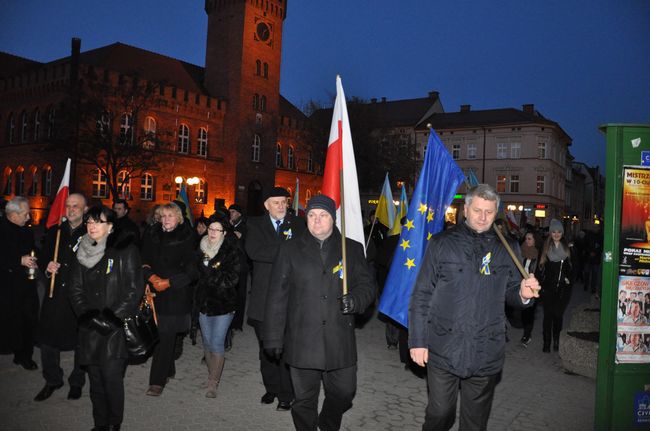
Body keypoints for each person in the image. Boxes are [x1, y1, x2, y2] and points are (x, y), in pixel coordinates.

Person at [409, 184, 540, 431]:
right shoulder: (441, 243)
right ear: (466, 209)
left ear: (496, 212)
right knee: (440, 413)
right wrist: (417, 340)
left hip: (485, 348)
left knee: (475, 422)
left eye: (489, 212)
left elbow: (513, 291)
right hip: (443, 344)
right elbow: (422, 293)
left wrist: (523, 293)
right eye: (477, 210)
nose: (482, 217)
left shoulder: (507, 248)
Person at [263, 195, 375, 431]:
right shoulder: (290, 249)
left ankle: (327, 423)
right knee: (304, 399)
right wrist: (273, 337)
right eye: (312, 215)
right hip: (303, 339)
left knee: (345, 392)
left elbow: (367, 287)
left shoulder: (351, 248)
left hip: (339, 339)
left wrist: (355, 300)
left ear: (333, 219)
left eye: (323, 215)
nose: (317, 221)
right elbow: (277, 297)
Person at [69, 206, 143, 431]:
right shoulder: (81, 251)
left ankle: (114, 422)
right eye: (89, 222)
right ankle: (99, 423)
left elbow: (133, 290)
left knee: (111, 381)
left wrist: (111, 319)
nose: (92, 226)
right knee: (95, 382)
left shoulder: (125, 251)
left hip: (115, 329)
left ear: (110, 226)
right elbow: (75, 290)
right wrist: (89, 316)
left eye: (98, 222)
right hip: (90, 329)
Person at [245, 186, 306, 411]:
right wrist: (287, 249)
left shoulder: (299, 224)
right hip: (263, 300)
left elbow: (303, 250)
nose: (281, 206)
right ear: (266, 205)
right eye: (276, 202)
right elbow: (255, 252)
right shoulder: (254, 224)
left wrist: (281, 250)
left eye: (284, 202)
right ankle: (271, 388)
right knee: (266, 349)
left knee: (286, 348)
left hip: (290, 297)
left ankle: (286, 393)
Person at [34, 193, 88, 401]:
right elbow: (43, 256)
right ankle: (52, 379)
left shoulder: (91, 232)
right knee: (48, 339)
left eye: (76, 206)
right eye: (68, 205)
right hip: (54, 293)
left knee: (81, 341)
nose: (71, 209)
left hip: (79, 296)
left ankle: (77, 382)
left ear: (84, 210)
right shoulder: (55, 230)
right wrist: (46, 266)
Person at [141, 202, 197, 396]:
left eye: (170, 216)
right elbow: (142, 259)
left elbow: (192, 269)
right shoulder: (151, 234)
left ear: (179, 218)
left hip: (176, 293)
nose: (166, 220)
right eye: (163, 216)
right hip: (153, 292)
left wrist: (169, 282)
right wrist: (151, 277)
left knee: (165, 337)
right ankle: (168, 368)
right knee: (161, 336)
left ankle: (156, 381)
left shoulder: (188, 236)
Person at [191, 212, 240, 398]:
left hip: (223, 304)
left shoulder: (230, 251)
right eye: (211, 228)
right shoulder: (201, 247)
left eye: (217, 230)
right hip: (203, 302)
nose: (212, 232)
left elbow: (232, 279)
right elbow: (194, 272)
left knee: (217, 342)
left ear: (224, 233)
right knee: (207, 341)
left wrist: (209, 271)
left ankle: (213, 383)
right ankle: (211, 375)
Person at [0, 196, 39, 371]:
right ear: (13, 214)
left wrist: (37, 259)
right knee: (8, 321)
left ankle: (24, 356)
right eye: (25, 214)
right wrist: (18, 260)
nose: (29, 218)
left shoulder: (26, 230)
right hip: (6, 286)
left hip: (26, 285)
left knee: (27, 321)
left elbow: (32, 249)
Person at [536, 218, 573, 353]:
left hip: (562, 290)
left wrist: (568, 279)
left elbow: (574, 268)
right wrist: (539, 286)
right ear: (550, 233)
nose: (556, 234)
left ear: (562, 233)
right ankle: (547, 343)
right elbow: (539, 270)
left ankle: (556, 341)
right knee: (548, 316)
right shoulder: (545, 248)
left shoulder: (568, 249)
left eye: (559, 232)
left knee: (558, 316)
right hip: (548, 289)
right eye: (554, 232)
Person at [227, 203, 249, 338]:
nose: (231, 214)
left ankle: (237, 323)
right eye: (230, 212)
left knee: (240, 294)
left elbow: (248, 248)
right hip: (229, 266)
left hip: (241, 266)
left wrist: (240, 239)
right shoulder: (229, 225)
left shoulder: (245, 227)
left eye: (234, 212)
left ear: (239, 214)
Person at [520, 231, 540, 347]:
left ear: (535, 240)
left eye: (530, 239)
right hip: (522, 285)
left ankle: (527, 335)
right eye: (526, 238)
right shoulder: (520, 252)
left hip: (533, 287)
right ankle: (526, 333)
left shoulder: (538, 254)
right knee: (524, 312)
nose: (527, 241)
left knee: (529, 312)